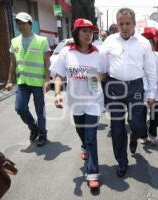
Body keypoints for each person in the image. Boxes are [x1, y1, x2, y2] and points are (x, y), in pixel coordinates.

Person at [50, 18, 107, 189]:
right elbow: (59, 75)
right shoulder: (67, 52)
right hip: (76, 102)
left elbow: (104, 74)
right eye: (84, 31)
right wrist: (58, 93)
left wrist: (96, 78)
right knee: (81, 132)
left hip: (94, 101)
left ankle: (92, 173)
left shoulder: (99, 53)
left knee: (91, 137)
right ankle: (84, 146)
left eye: (90, 31)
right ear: (76, 33)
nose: (88, 34)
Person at [100, 8, 157, 177]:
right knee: (117, 127)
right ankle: (122, 161)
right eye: (121, 24)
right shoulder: (109, 41)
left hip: (136, 88)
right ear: (117, 24)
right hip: (114, 87)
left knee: (138, 126)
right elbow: (102, 68)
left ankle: (135, 136)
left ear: (134, 23)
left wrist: (151, 94)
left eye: (128, 23)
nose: (124, 27)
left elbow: (151, 71)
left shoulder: (143, 43)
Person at [5, 12, 50, 147]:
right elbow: (13, 63)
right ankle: (33, 127)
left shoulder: (42, 41)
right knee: (20, 108)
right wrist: (9, 80)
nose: (21, 25)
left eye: (24, 23)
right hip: (22, 82)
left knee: (39, 110)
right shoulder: (14, 41)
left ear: (30, 24)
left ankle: (42, 134)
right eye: (18, 23)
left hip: (37, 83)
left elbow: (47, 62)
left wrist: (47, 80)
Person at [139, 28, 158, 145]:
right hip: (142, 89)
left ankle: (152, 135)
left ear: (153, 45)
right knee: (142, 115)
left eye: (151, 43)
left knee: (154, 116)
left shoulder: (157, 55)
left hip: (155, 90)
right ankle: (143, 135)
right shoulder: (138, 57)